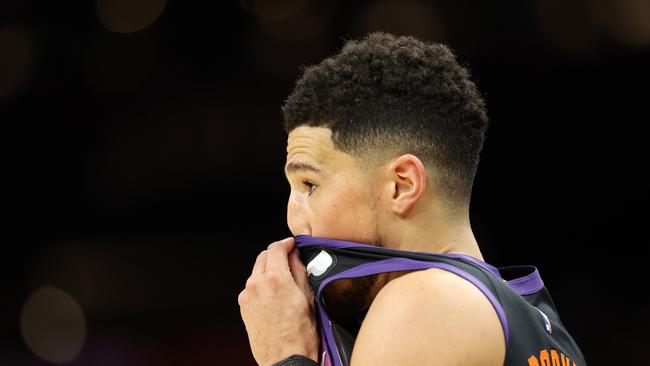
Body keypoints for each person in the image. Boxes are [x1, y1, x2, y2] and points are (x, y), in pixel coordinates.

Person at [237, 32, 585, 366]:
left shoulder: (423, 302)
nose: (294, 219)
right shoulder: (539, 323)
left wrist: (285, 354)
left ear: (401, 186)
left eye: (310, 184)